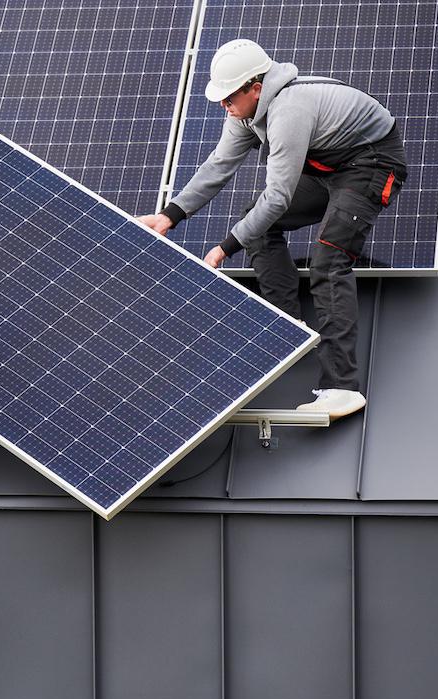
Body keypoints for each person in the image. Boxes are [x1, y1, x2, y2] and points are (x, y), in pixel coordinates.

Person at [140, 39, 407, 419]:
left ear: (256, 87)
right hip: (328, 168)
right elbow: (219, 166)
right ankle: (287, 326)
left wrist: (223, 249)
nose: (224, 106)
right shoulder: (244, 114)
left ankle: (342, 387)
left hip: (372, 164)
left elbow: (278, 197)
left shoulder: (289, 110)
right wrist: (170, 216)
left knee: (329, 260)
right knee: (260, 225)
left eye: (230, 97)